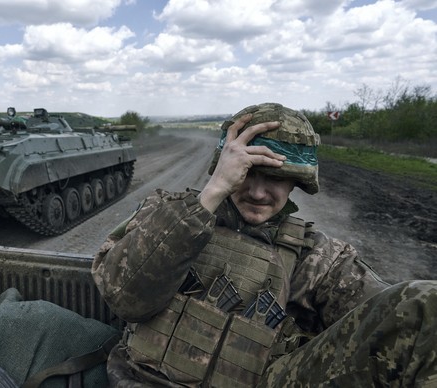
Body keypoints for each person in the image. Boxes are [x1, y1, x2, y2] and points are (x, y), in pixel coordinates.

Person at [91, 102, 437, 387]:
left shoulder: (317, 256)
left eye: (275, 178)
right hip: (141, 379)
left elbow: (387, 323)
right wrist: (211, 194)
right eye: (246, 172)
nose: (258, 192)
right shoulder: (169, 214)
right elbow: (126, 299)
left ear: (295, 183)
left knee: (426, 306)